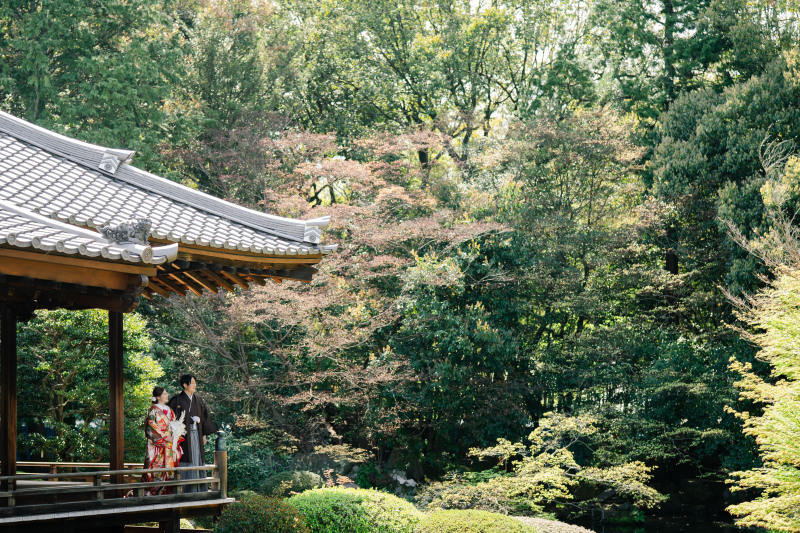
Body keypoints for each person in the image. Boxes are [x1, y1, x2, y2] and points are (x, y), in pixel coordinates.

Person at [167, 374, 216, 492]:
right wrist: (175, 432)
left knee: (197, 458)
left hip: (197, 434)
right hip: (183, 436)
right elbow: (169, 418)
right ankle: (184, 489)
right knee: (185, 458)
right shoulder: (177, 400)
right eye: (192, 383)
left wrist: (204, 435)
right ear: (185, 385)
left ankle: (200, 489)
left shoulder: (198, 399)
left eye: (195, 383)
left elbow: (205, 418)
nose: (195, 385)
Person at [144, 386, 184, 495]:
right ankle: (154, 493)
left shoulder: (170, 410)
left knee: (170, 469)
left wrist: (175, 435)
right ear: (158, 397)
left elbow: (174, 425)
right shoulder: (153, 411)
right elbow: (150, 427)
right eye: (164, 394)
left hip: (169, 444)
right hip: (158, 445)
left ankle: (167, 494)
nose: (167, 395)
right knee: (157, 468)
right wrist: (165, 437)